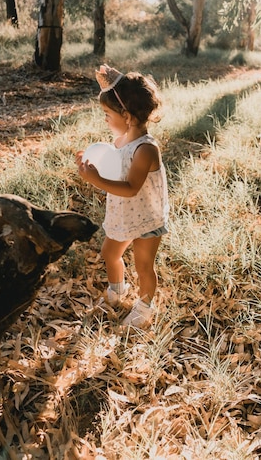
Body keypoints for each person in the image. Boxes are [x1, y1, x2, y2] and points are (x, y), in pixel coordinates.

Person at [76, 64, 169, 328]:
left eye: (107, 114)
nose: (104, 119)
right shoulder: (121, 140)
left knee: (143, 265)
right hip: (123, 213)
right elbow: (111, 164)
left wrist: (96, 180)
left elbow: (130, 188)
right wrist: (91, 161)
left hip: (146, 217)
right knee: (109, 252)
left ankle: (144, 308)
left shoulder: (146, 150)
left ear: (126, 116)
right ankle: (117, 289)